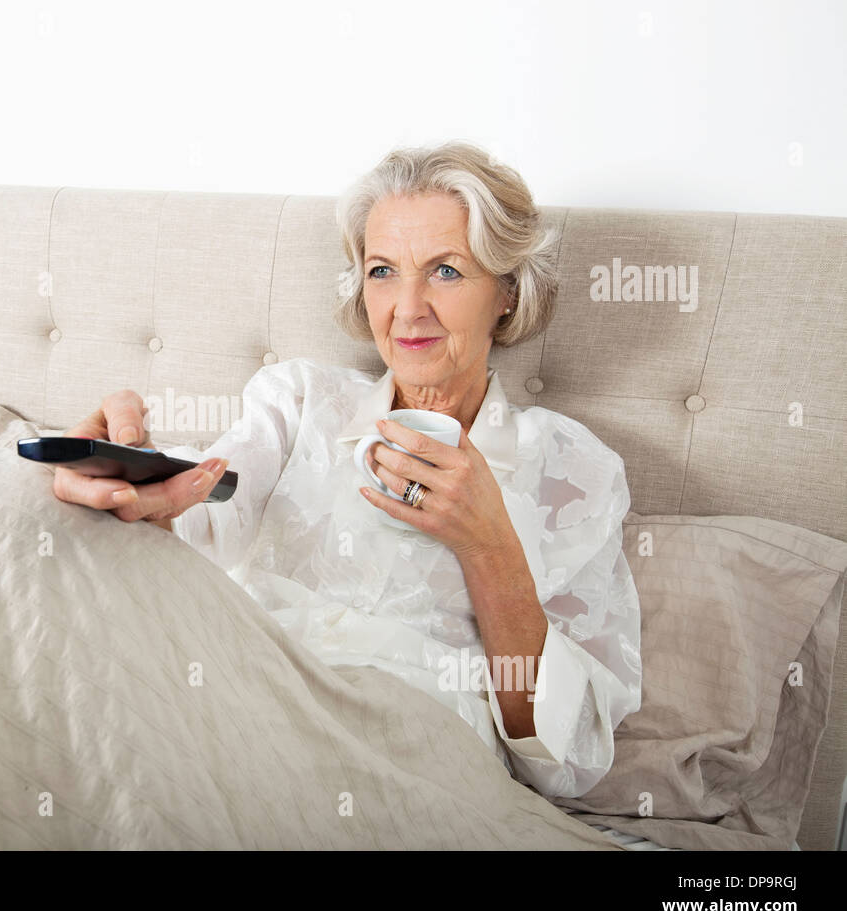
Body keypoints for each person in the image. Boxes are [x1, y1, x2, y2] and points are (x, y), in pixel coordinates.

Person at [51, 142, 641, 799]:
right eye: (384, 271)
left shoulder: (572, 469)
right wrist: (131, 478)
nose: (407, 307)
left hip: (409, 764)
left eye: (445, 271)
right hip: (242, 701)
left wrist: (488, 545)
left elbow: (568, 761)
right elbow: (209, 501)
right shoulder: (298, 402)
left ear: (506, 291)